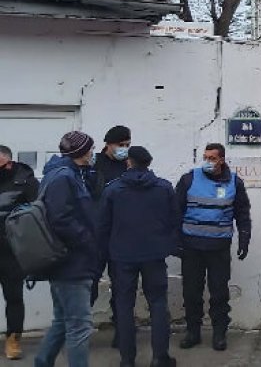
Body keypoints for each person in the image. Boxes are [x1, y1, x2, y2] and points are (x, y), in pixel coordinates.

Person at [99, 146, 178, 367]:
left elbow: (103, 226)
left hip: (122, 256)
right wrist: (167, 244)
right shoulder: (164, 188)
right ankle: (159, 358)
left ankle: (127, 360)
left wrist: (106, 252)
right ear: (148, 163)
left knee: (124, 305)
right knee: (158, 303)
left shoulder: (113, 189)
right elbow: (174, 220)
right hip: (154, 254)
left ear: (129, 163)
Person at [176, 143, 251, 351]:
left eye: (212, 158)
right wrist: (176, 242)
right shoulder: (189, 179)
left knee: (219, 293)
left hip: (218, 248)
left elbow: (242, 214)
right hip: (191, 248)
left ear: (221, 160)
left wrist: (244, 239)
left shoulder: (234, 182)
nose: (207, 161)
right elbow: (175, 211)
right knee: (192, 293)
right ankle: (193, 332)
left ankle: (219, 334)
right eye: (205, 157)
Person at [34, 131, 100, 367]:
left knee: (63, 320)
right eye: (90, 149)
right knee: (79, 326)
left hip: (67, 262)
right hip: (72, 263)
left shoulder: (68, 174)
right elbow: (61, 219)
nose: (93, 152)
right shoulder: (64, 177)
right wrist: (87, 240)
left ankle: (42, 362)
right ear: (81, 152)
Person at [89, 125, 132, 344]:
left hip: (121, 235)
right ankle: (80, 331)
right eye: (120, 144)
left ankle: (122, 333)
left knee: (122, 287)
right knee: (89, 285)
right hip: (95, 235)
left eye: (127, 145)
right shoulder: (93, 164)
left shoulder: (129, 165)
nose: (124, 148)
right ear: (108, 144)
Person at [0, 145, 38, 360]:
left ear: (7, 160)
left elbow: (38, 214)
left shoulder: (25, 182)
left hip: (11, 251)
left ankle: (13, 340)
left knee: (13, 297)